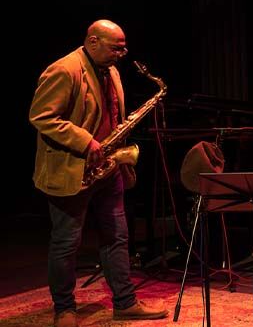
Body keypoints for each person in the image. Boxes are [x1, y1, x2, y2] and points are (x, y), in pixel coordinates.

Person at [29, 20, 168, 327]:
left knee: (117, 236)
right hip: (71, 170)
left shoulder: (112, 71)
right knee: (66, 243)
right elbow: (41, 116)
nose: (123, 52)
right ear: (92, 42)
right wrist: (85, 141)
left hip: (107, 168)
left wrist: (118, 151)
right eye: (116, 47)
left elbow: (114, 115)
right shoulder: (63, 70)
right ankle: (64, 308)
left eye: (124, 46)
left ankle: (125, 302)